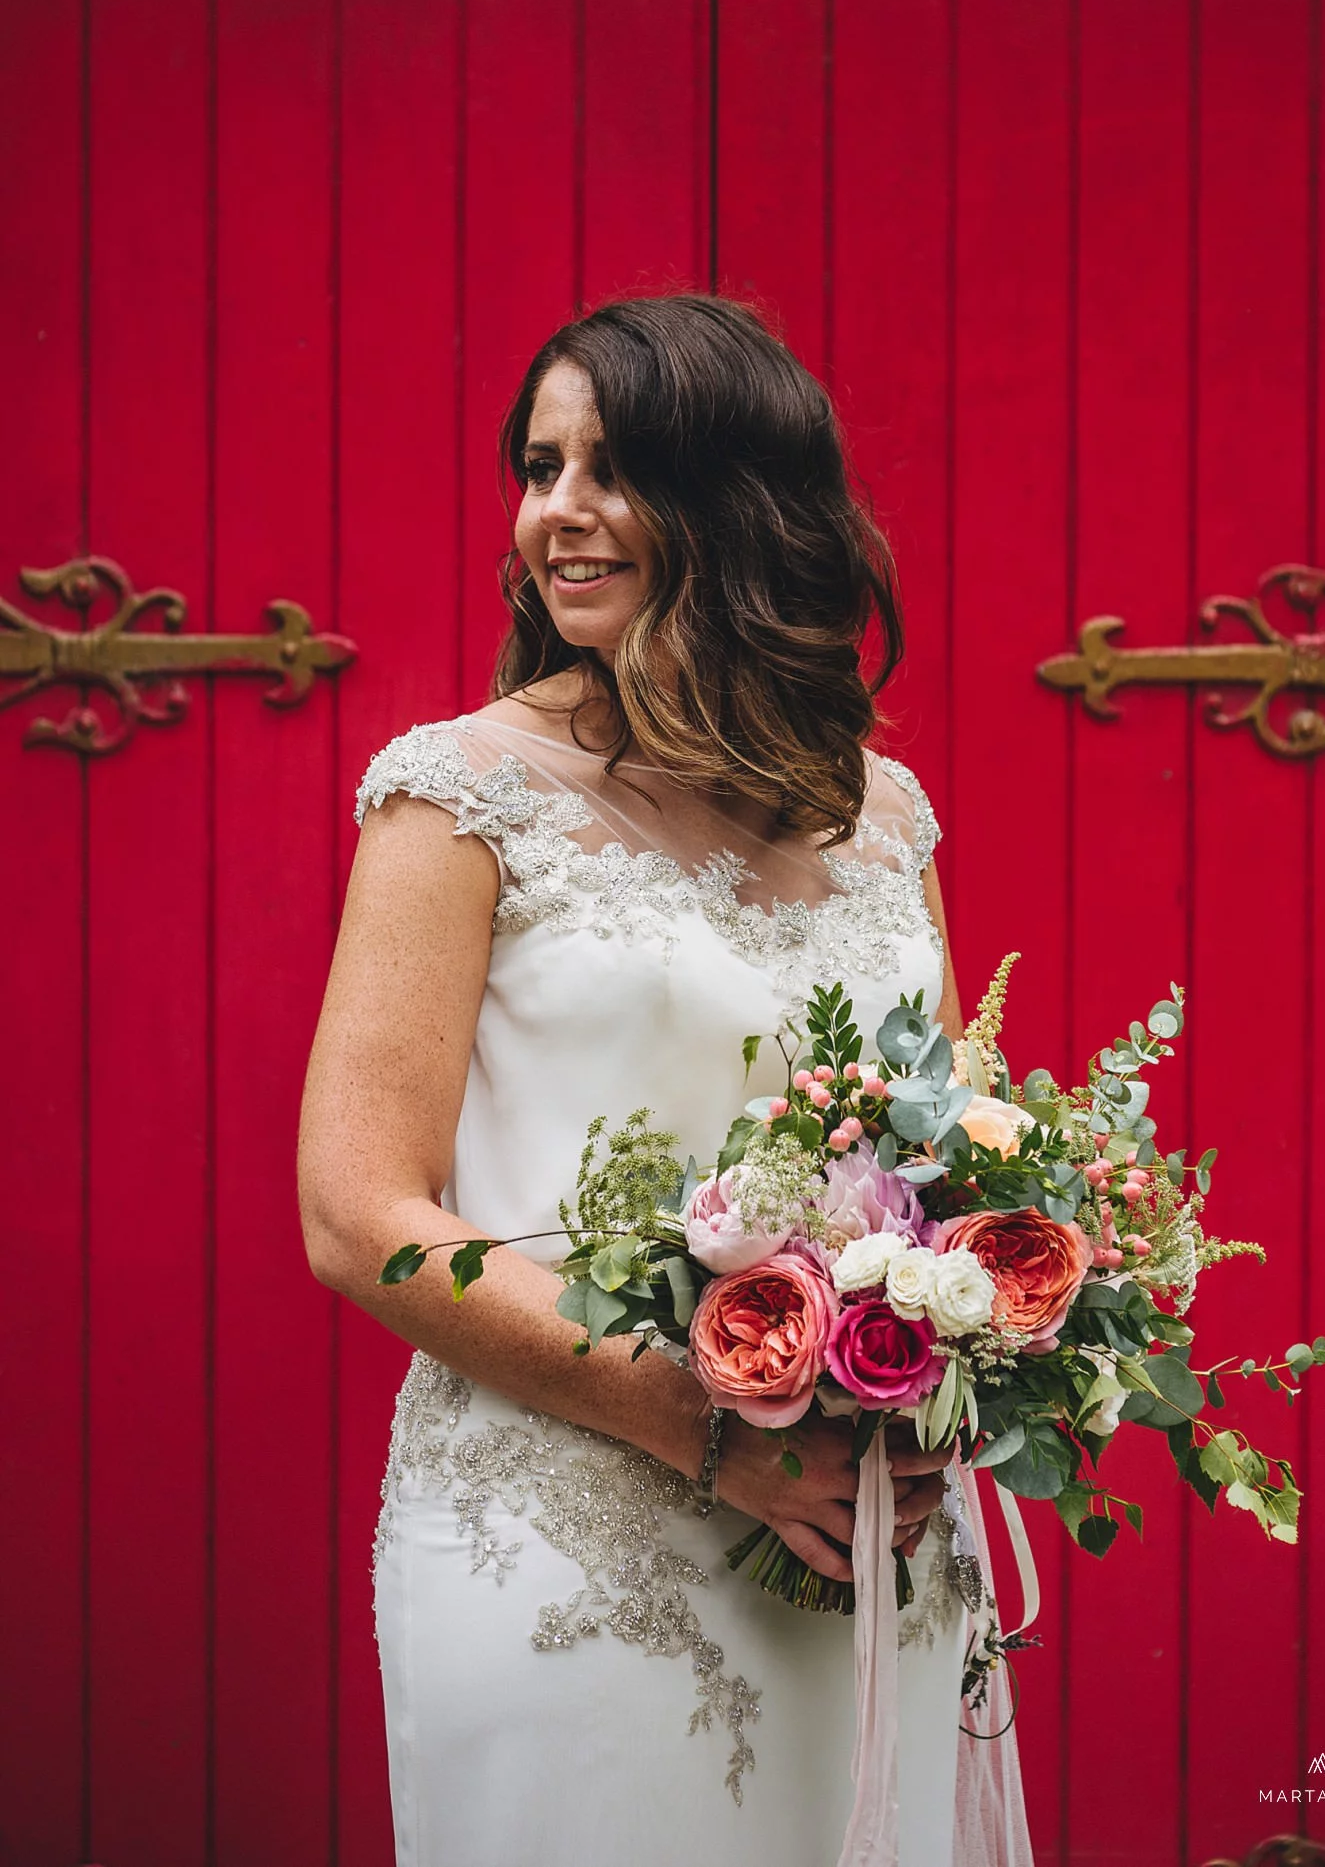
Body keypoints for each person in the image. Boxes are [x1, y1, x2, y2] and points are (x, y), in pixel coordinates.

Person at [297, 294, 1032, 1866]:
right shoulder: (459, 799)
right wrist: (710, 1428)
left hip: (867, 1531)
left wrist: (972, 1345)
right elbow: (360, 1215)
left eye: (610, 469)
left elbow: (950, 1153)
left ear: (741, 503)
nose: (556, 513)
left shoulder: (878, 814)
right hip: (576, 1546)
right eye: (540, 465)